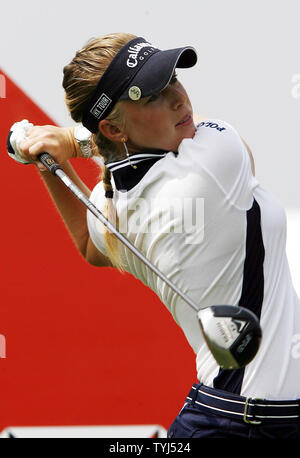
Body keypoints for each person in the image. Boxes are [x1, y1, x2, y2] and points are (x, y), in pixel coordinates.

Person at [10, 33, 300, 439]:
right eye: (152, 98)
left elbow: (92, 248)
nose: (179, 99)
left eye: (173, 80)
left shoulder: (109, 205)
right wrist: (71, 142)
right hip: (257, 424)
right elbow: (231, 146)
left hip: (221, 416)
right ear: (112, 127)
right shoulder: (214, 164)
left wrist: (51, 164)